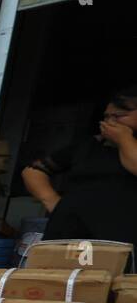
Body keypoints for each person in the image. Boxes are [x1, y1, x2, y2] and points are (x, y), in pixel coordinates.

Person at [23, 85, 137, 249]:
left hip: (120, 237)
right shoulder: (88, 146)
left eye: (119, 116)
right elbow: (33, 172)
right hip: (71, 234)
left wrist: (124, 139)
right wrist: (54, 203)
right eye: (107, 117)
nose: (110, 122)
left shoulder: (127, 144)